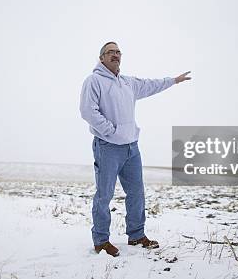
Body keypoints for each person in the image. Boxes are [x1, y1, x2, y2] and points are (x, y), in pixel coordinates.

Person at [79, 41, 192, 257]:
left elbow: (151, 85)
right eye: (110, 52)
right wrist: (111, 131)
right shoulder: (93, 81)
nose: (115, 54)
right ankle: (101, 240)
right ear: (101, 58)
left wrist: (173, 81)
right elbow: (88, 111)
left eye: (118, 51)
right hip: (108, 147)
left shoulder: (127, 83)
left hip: (131, 148)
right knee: (104, 195)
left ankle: (136, 235)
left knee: (136, 193)